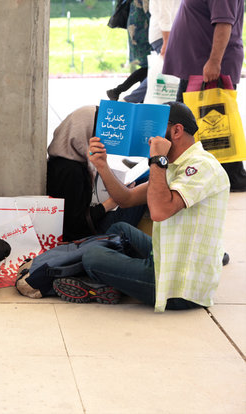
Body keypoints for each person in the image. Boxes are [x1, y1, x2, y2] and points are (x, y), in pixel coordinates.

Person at [52, 102, 230, 312]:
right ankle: (119, 278)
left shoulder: (201, 166)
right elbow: (126, 199)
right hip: (166, 259)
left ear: (176, 130)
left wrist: (157, 159)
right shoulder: (175, 165)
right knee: (120, 230)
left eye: (155, 129)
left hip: (179, 288)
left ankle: (109, 281)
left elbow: (159, 211)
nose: (149, 137)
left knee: (93, 258)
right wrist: (102, 165)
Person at [163, 0, 245, 192]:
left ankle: (231, 175)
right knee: (194, 124)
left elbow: (224, 23)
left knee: (206, 125)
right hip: (197, 67)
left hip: (206, 68)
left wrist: (214, 62)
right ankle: (221, 173)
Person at [46, 106, 146, 241]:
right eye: (97, 133)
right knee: (143, 193)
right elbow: (75, 225)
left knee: (141, 182)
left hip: (90, 223)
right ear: (85, 132)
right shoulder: (70, 170)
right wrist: (111, 202)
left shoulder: (69, 158)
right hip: (87, 236)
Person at [108, 0, 181, 103]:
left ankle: (124, 94)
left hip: (144, 30)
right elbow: (157, 12)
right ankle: (129, 98)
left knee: (153, 69)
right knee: (154, 69)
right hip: (146, 31)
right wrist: (166, 40)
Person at [106, 0, 152, 102]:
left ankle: (120, 92)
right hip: (143, 30)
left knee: (147, 67)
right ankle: (118, 91)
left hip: (137, 27)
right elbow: (150, 11)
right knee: (149, 66)